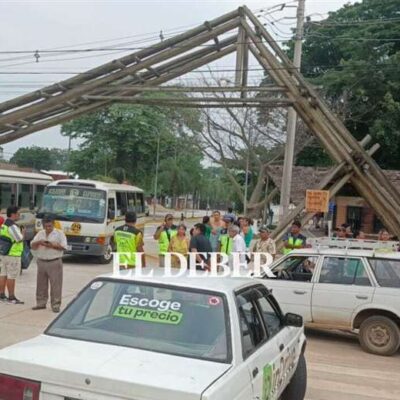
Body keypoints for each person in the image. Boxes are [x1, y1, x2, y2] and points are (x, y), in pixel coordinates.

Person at [30, 216, 67, 312]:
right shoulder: (40, 233)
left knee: (56, 285)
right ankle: (41, 303)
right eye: (46, 226)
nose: (48, 228)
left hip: (54, 261)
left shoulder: (59, 233)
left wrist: (51, 245)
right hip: (41, 261)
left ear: (53, 224)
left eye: (50, 226)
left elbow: (64, 247)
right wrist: (39, 242)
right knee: (41, 284)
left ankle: (55, 305)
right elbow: (32, 246)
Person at [0, 206, 25, 304]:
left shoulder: (4, 225)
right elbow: (19, 239)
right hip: (12, 254)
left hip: (4, 253)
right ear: (13, 214)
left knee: (3, 274)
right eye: (18, 213)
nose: (19, 215)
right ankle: (11, 297)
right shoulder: (12, 226)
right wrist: (23, 233)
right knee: (11, 276)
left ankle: (1, 294)